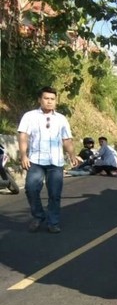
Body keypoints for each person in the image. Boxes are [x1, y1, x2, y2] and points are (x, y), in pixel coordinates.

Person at [18, 86, 78, 233]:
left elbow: (67, 139)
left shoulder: (62, 119)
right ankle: (38, 216)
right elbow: (23, 136)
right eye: (46, 98)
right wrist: (23, 155)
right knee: (31, 189)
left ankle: (53, 222)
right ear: (40, 100)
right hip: (35, 161)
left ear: (55, 101)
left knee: (54, 194)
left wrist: (72, 155)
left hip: (56, 163)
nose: (49, 101)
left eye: (52, 99)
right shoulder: (30, 116)